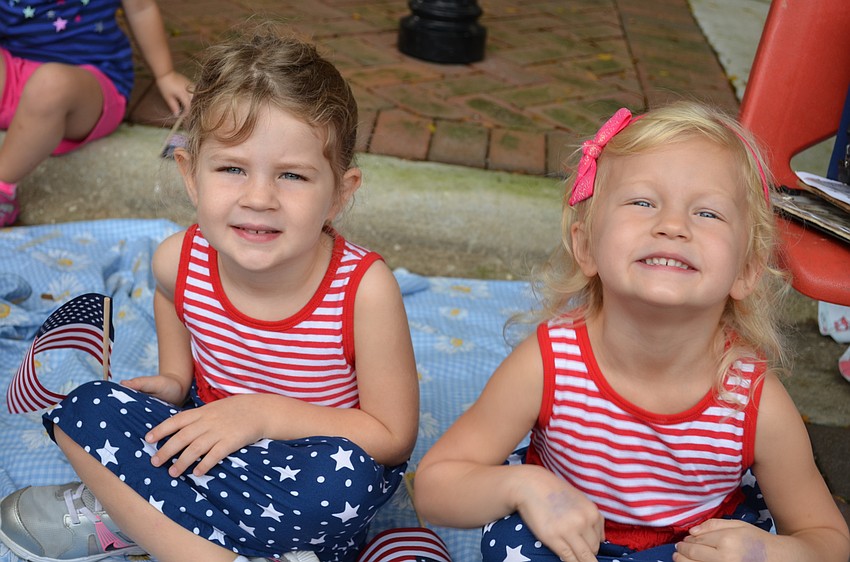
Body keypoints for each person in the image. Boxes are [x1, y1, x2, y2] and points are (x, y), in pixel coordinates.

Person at [0, 26, 419, 562]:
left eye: (292, 175)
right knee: (83, 409)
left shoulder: (364, 291)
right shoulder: (179, 259)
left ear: (340, 192)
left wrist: (261, 416)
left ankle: (149, 522)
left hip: (309, 468)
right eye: (232, 169)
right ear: (191, 176)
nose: (259, 197)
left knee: (353, 482)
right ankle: (219, 539)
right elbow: (169, 298)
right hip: (205, 446)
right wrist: (177, 378)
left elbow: (390, 436)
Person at [413, 102, 850, 562]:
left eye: (708, 213)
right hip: (569, 545)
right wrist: (525, 486)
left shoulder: (753, 402)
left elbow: (828, 538)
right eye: (643, 202)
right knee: (515, 541)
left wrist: (766, 553)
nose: (672, 226)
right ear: (586, 246)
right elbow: (435, 487)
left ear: (746, 272)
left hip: (693, 550)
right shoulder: (550, 364)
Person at [0, 0, 193, 226]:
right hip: (13, 69)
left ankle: (3, 188)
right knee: (45, 82)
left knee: (50, 84)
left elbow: (141, 8)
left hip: (89, 85)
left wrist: (165, 74)